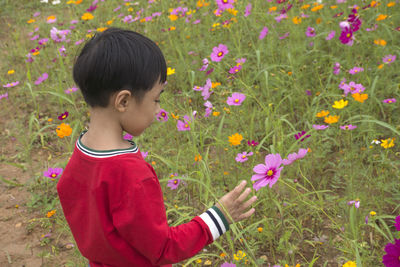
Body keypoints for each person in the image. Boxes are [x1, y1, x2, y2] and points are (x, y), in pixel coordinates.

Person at [57, 27, 257, 267]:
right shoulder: (131, 175)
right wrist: (219, 217)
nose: (157, 109)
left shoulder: (82, 154)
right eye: (156, 98)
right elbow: (163, 248)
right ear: (123, 101)